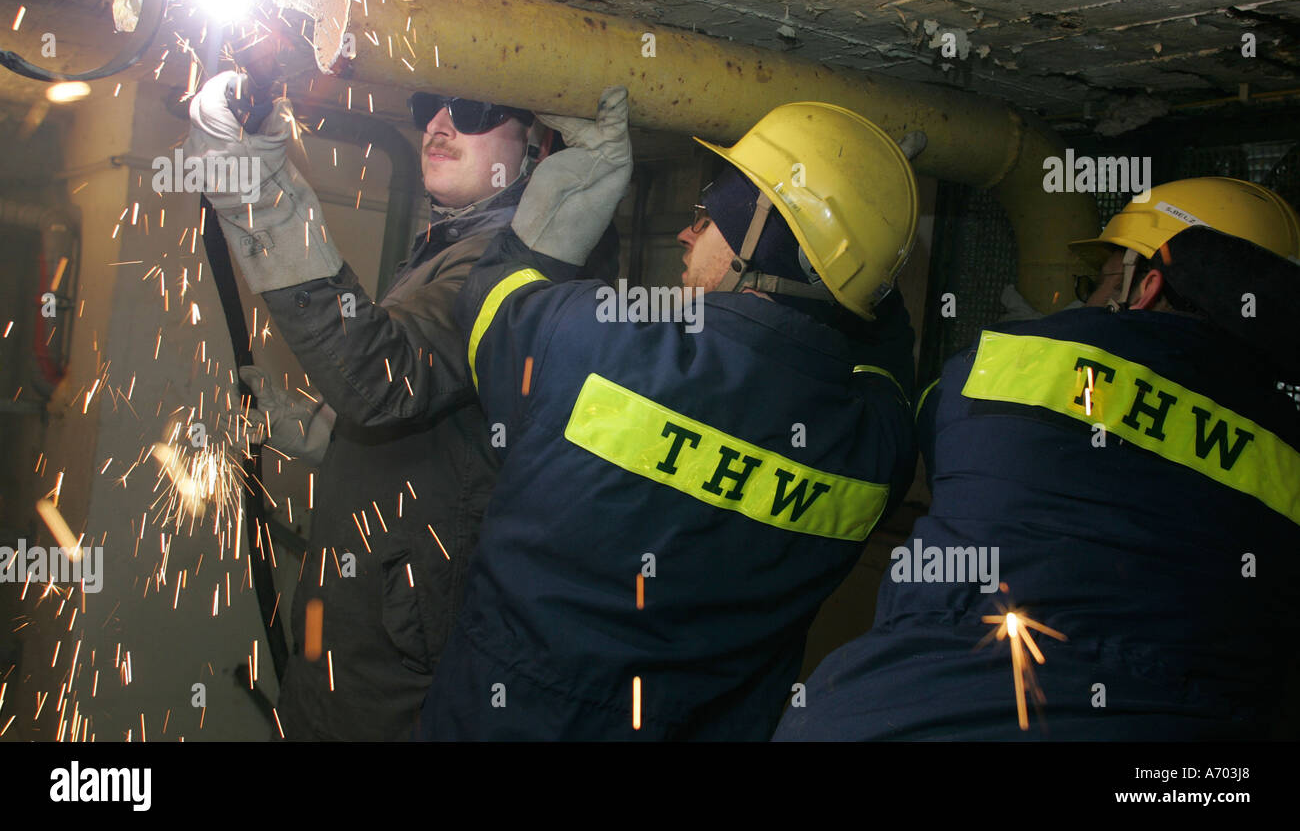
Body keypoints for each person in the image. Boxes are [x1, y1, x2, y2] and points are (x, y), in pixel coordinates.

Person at [416, 91, 922, 740]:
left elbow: (490, 302)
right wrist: (870, 231)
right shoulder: (877, 446)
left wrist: (575, 180)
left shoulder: (597, 339)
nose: (686, 231)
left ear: (759, 244)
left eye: (709, 218)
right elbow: (887, 361)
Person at [775, 177, 1300, 740]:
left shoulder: (1004, 362)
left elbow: (926, 426)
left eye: (1097, 282)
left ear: (1144, 287)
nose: (1087, 298)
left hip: (892, 716)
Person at [184, 73, 616, 740]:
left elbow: (385, 380)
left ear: (536, 142)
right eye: (429, 108)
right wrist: (326, 432)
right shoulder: (456, 248)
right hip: (363, 626)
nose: (439, 125)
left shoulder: (502, 269)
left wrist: (260, 200)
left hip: (401, 658)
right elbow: (446, 420)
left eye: (472, 109)